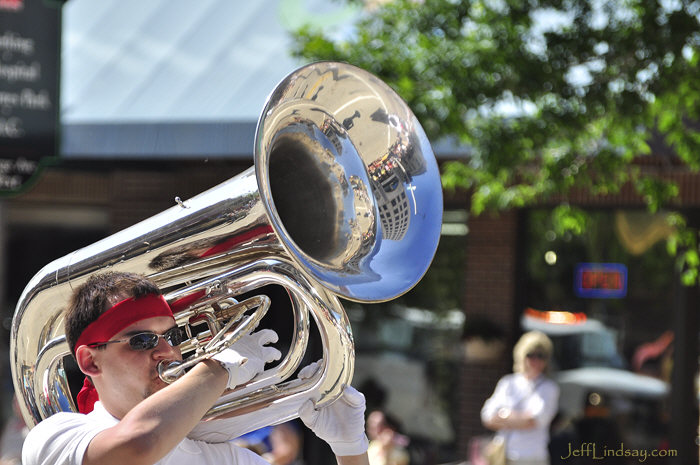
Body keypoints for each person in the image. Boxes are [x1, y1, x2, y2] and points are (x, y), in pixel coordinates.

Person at [22, 271, 370, 465]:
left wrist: (349, 447)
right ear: (89, 360)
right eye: (142, 340)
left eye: (170, 335)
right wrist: (220, 367)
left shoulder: (221, 458)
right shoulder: (57, 436)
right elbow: (138, 446)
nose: (167, 352)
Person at [481, 331, 559, 465]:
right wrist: (517, 418)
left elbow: (533, 421)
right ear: (522, 356)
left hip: (531, 457)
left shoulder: (549, 388)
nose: (535, 360)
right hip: (503, 455)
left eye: (541, 356)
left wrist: (503, 416)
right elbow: (487, 417)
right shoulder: (508, 383)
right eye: (530, 355)